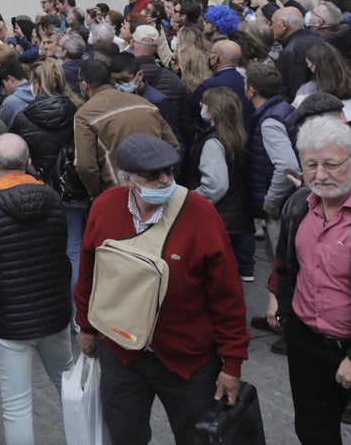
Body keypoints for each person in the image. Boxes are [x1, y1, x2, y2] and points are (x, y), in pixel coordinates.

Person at [75, 134, 250, 445]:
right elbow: (90, 275)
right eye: (153, 176)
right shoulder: (104, 208)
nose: (166, 180)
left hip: (188, 360)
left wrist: (232, 362)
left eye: (170, 171)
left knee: (196, 438)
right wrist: (86, 327)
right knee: (125, 436)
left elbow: (228, 297)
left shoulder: (201, 215)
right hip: (121, 353)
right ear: (127, 178)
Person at [0, 133, 72, 445]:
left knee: (16, 405)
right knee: (71, 388)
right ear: (29, 163)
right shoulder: (52, 198)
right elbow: (60, 252)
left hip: (8, 319)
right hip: (54, 313)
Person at [276, 116, 351, 443]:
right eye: (310, 165)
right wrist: (287, 315)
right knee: (313, 432)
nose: (320, 175)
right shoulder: (297, 205)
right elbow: (285, 266)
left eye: (331, 164)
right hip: (308, 346)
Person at [73, 59, 180, 197]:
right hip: (160, 188)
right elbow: (173, 146)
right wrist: (162, 177)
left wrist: (98, 195)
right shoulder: (145, 103)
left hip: (119, 193)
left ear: (84, 85)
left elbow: (86, 166)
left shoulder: (84, 115)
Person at [182, 87, 254, 281]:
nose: (201, 108)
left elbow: (215, 185)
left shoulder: (213, 142)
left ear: (213, 110)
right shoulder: (236, 136)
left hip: (220, 215)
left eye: (204, 104)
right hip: (234, 216)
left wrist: (191, 199)